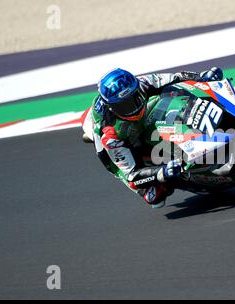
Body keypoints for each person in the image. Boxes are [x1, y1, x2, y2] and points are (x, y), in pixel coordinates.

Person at [82, 67, 224, 208]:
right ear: (112, 107)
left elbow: (176, 77)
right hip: (120, 140)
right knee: (155, 196)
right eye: (125, 106)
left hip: (143, 118)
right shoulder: (109, 133)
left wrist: (202, 77)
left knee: (174, 91)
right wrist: (160, 172)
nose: (133, 108)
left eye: (134, 99)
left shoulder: (142, 83)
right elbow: (131, 175)